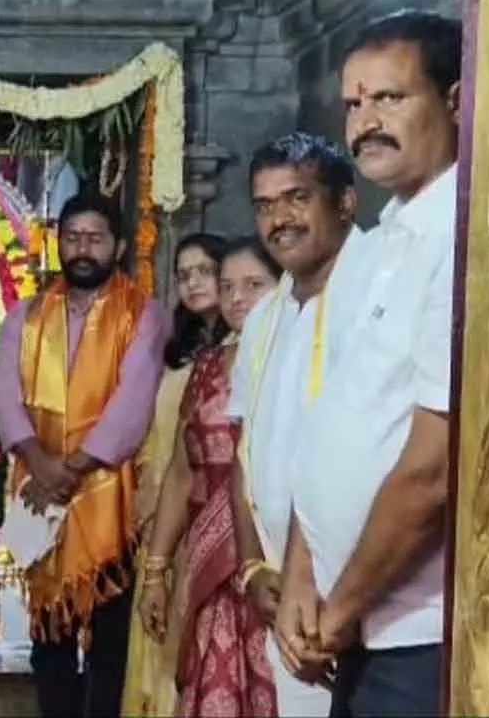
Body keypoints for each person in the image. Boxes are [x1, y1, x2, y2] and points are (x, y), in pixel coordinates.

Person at [277, 11, 461, 716]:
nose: (365, 121)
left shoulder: (462, 240)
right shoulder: (383, 240)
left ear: (455, 100)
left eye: (390, 98)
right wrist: (301, 572)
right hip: (348, 619)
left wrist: (340, 605)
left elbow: (432, 469)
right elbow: (333, 427)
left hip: (415, 633)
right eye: (354, 103)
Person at [0, 191, 167, 718]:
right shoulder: (25, 317)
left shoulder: (144, 315)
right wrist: (41, 465)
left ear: (116, 246)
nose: (82, 249)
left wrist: (70, 468)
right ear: (59, 243)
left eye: (95, 238)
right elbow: (6, 399)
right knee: (50, 639)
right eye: (73, 238)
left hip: (107, 498)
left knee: (109, 641)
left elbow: (132, 405)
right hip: (41, 496)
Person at [226, 132, 362, 717]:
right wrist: (254, 565)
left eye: (297, 197)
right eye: (264, 205)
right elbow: (244, 453)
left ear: (346, 202)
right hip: (285, 596)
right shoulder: (266, 317)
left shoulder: (378, 292)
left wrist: (336, 593)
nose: (279, 219)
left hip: (367, 595)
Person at [138, 236, 281, 717]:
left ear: (283, 287)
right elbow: (183, 470)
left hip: (275, 562)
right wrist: (155, 572)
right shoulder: (206, 368)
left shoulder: (297, 362)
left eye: (254, 285)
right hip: (208, 569)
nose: (237, 298)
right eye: (228, 287)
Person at [123, 232, 229, 717]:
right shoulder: (175, 348)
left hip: (213, 514)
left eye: (205, 271)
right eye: (183, 274)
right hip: (163, 507)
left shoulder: (242, 348)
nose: (193, 283)